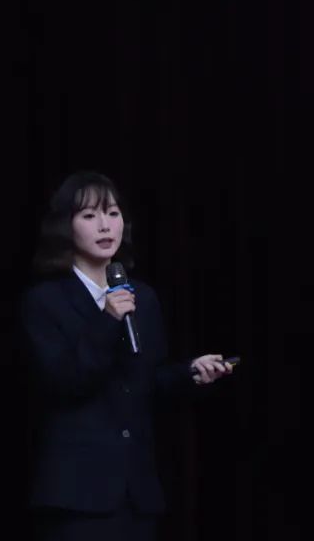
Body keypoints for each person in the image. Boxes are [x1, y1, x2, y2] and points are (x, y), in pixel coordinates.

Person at [22, 171, 232, 541]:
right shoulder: (45, 301)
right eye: (89, 215)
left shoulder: (142, 298)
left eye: (113, 213)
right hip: (77, 494)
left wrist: (190, 373)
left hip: (136, 494)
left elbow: (146, 383)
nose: (105, 225)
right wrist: (107, 320)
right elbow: (62, 383)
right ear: (65, 226)